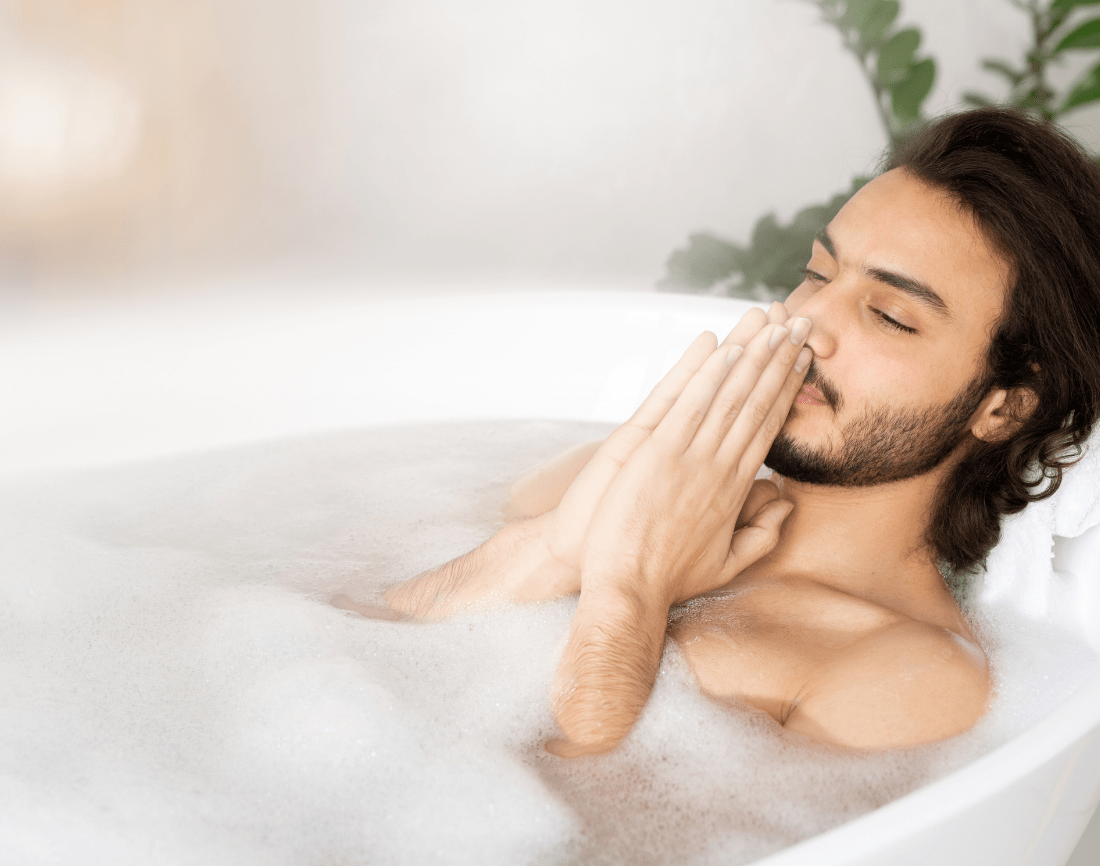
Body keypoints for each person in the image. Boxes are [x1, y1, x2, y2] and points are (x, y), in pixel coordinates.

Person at [375, 107, 1100, 756]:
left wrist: (632, 589)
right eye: (817, 273)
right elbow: (365, 650)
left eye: (889, 315)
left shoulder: (906, 672)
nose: (807, 322)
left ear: (1005, 408)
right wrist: (557, 546)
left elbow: (588, 837)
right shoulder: (611, 478)